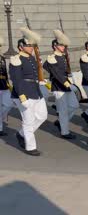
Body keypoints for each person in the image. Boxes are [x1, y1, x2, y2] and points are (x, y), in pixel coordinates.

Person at [10, 27, 48, 156]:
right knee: (28, 121)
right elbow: (16, 79)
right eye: (28, 45)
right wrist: (22, 96)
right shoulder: (16, 59)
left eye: (32, 45)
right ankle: (30, 147)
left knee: (42, 116)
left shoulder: (32, 58)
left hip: (36, 92)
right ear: (21, 47)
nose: (31, 47)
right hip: (24, 93)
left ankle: (21, 134)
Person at [43, 30, 79, 140]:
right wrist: (67, 84)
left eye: (64, 45)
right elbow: (57, 74)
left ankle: (61, 122)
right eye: (61, 45)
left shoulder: (63, 56)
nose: (63, 46)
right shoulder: (52, 58)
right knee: (63, 110)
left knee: (74, 105)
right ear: (55, 46)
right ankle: (65, 132)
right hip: (59, 86)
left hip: (66, 85)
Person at [0, 35, 13, 136]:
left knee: (8, 104)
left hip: (4, 85)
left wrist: (8, 84)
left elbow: (5, 73)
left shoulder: (2, 58)